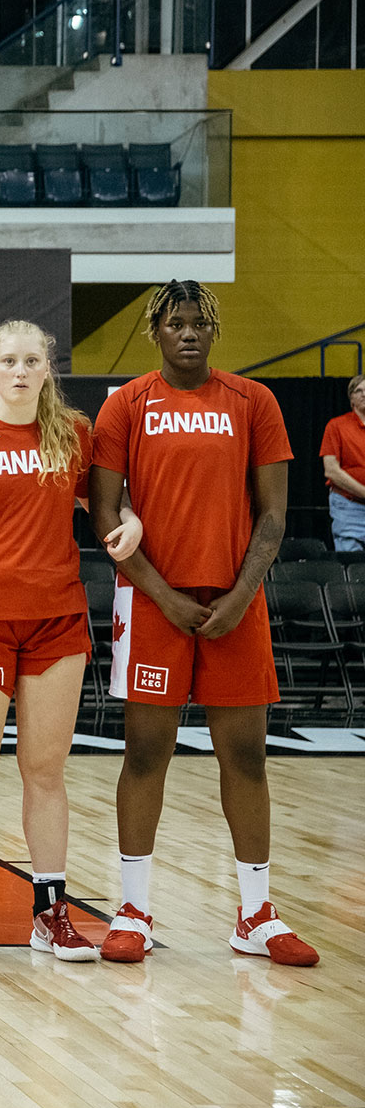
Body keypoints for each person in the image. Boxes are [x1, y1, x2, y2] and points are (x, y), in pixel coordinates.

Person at [89, 280, 318, 966]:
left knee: (246, 756)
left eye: (199, 323)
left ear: (213, 330)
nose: (188, 333)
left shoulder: (255, 401)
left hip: (235, 604)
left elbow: (274, 514)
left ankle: (256, 916)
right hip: (155, 601)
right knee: (145, 754)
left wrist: (242, 595)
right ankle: (133, 908)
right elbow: (103, 517)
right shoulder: (126, 405)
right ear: (156, 330)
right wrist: (164, 597)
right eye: (175, 323)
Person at [0, 321, 142, 965]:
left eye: (32, 361)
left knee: (45, 772)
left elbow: (109, 503)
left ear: (48, 369)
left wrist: (130, 520)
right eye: (8, 360)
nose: (20, 370)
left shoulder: (73, 435)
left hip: (56, 621)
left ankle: (51, 914)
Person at [320, 374, 365, 551]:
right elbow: (331, 470)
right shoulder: (336, 426)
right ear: (351, 398)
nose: (364, 394)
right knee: (351, 560)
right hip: (348, 505)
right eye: (358, 391)